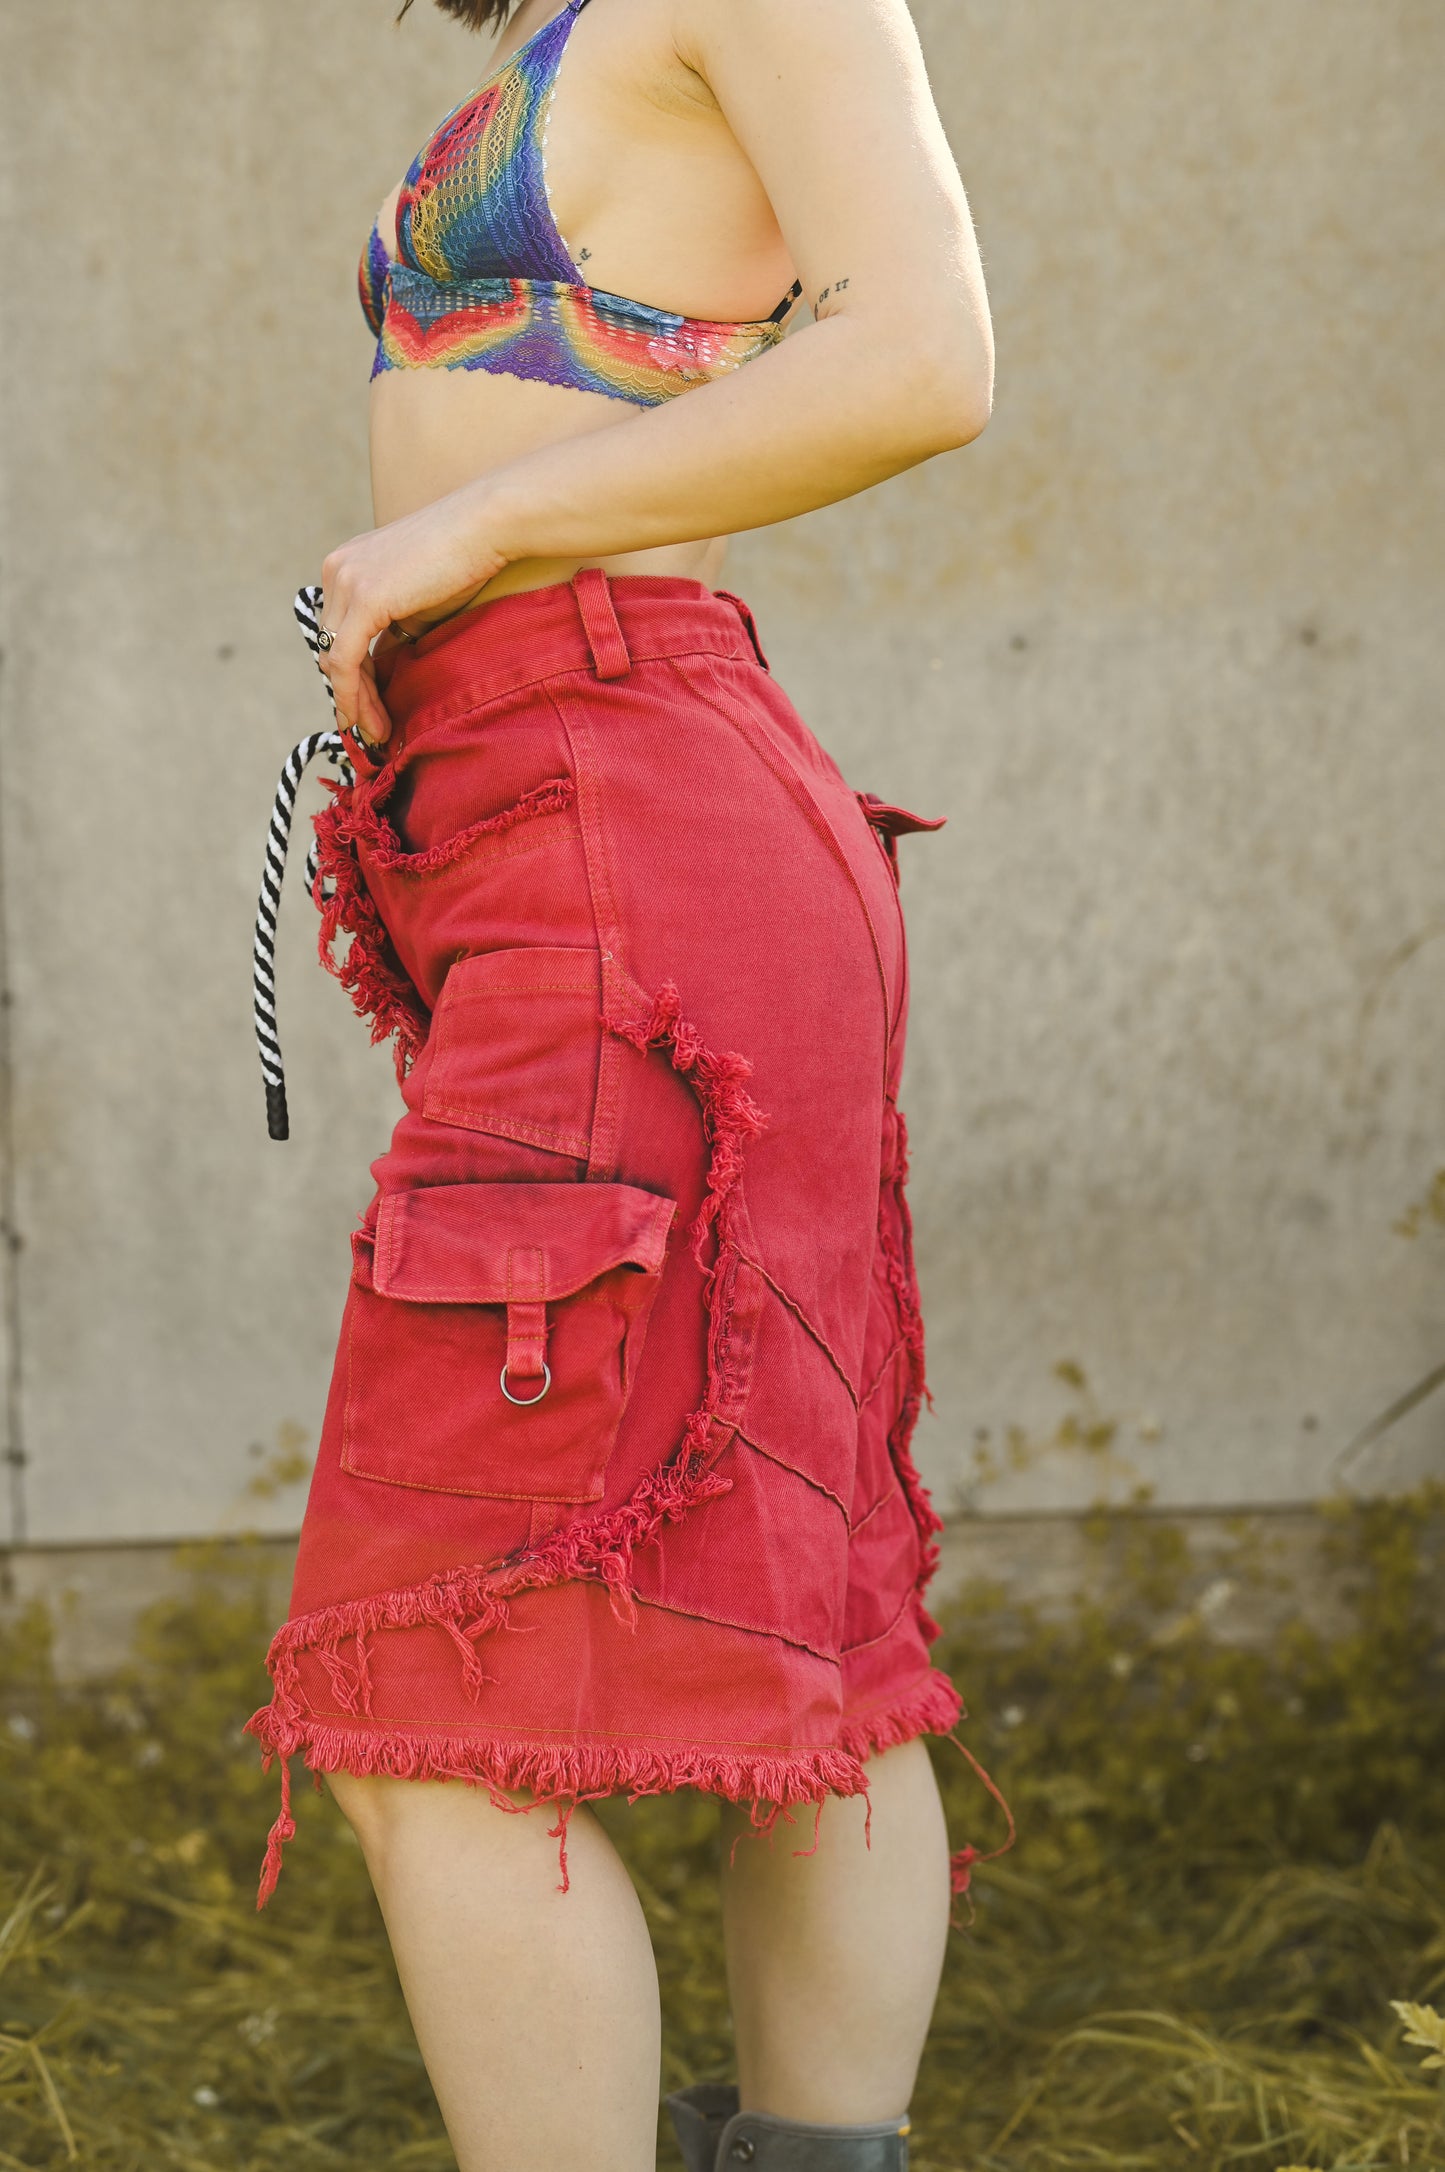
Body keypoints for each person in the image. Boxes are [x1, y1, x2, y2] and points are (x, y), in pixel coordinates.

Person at [246, 1, 995, 2165]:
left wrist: (469, 533)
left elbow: (926, 359)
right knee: (805, 1626)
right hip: (582, 820)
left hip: (623, 823)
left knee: (424, 1689)